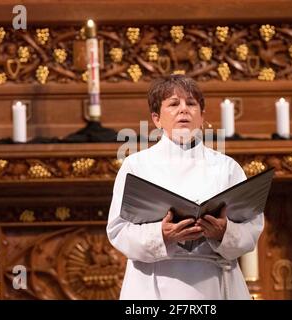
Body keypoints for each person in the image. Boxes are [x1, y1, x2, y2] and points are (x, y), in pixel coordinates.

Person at [107, 74, 264, 299]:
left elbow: (252, 228)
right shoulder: (136, 166)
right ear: (156, 119)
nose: (184, 109)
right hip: (155, 283)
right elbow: (118, 230)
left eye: (191, 103)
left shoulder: (227, 167)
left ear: (201, 117)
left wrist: (224, 232)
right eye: (173, 103)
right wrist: (160, 234)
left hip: (215, 282)